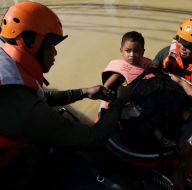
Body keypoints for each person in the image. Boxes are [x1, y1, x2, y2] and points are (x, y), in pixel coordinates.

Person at [0, 1, 132, 189]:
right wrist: (119, 102)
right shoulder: (18, 102)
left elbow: (38, 97)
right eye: (51, 46)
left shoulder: (6, 62)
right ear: (30, 42)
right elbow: (92, 138)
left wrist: (83, 92)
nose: (55, 53)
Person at [99, 31, 192, 154]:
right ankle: (162, 139)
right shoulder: (118, 72)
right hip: (132, 100)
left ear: (143, 52)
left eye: (136, 51)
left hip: (150, 96)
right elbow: (107, 87)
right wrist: (112, 96)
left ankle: (182, 115)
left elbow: (158, 75)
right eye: (128, 51)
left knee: (171, 89)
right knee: (141, 115)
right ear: (121, 51)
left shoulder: (146, 63)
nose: (132, 55)